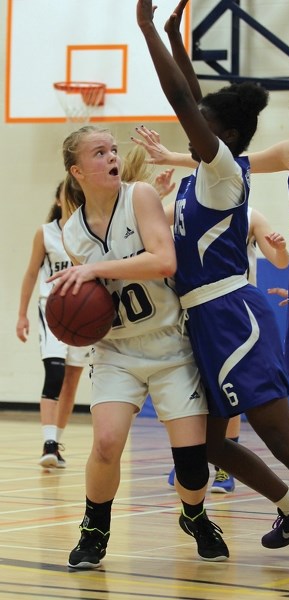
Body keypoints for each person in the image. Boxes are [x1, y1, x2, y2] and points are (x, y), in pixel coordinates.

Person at [137, 0, 289, 581]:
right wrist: (175, 35)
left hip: (232, 314)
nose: (193, 133)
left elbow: (185, 102)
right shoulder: (199, 174)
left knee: (282, 438)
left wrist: (146, 31)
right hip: (206, 319)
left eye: (204, 129)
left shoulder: (222, 172)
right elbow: (199, 103)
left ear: (225, 137)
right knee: (212, 443)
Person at [46, 127, 230, 568]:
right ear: (78, 171)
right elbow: (93, 303)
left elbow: (163, 260)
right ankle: (94, 529)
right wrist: (77, 313)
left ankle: (195, 514)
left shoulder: (141, 196)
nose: (112, 156)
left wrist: (95, 272)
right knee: (106, 443)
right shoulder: (72, 233)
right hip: (117, 352)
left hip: (171, 347)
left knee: (191, 466)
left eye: (113, 149)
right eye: (99, 152)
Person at [167, 207, 289, 493]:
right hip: (195, 310)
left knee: (230, 390)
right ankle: (191, 453)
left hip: (236, 313)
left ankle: (225, 467)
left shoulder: (251, 216)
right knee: (194, 388)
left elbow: (280, 262)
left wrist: (281, 250)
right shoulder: (188, 210)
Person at [16, 182, 89, 469]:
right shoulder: (45, 233)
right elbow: (31, 272)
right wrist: (22, 315)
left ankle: (56, 443)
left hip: (83, 314)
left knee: (72, 381)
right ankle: (47, 442)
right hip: (53, 309)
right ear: (58, 200)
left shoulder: (88, 232)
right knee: (55, 372)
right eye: (66, 195)